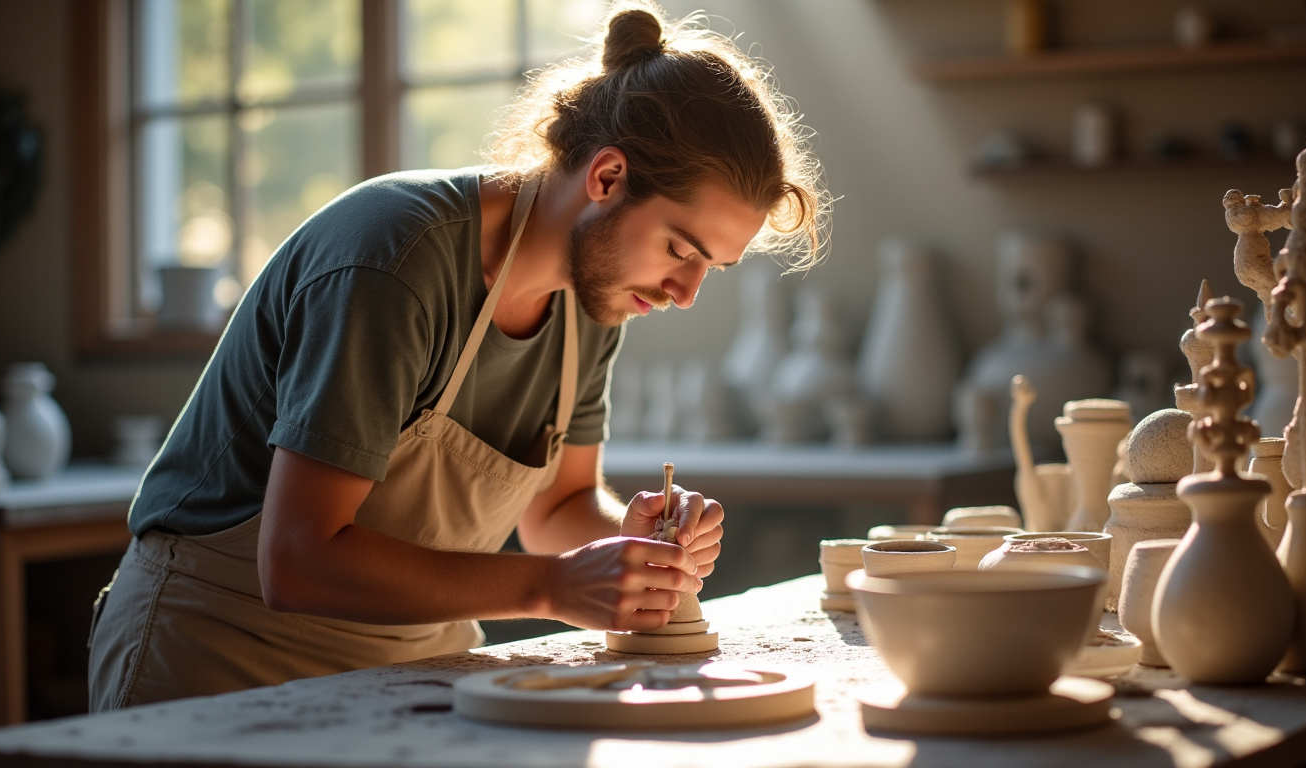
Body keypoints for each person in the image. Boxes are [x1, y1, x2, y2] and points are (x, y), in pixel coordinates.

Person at [87, 0, 828, 711]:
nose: (686, 292)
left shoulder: (595, 297)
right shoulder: (393, 259)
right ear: (606, 178)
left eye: (711, 268)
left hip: (412, 666)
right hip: (223, 654)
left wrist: (633, 543)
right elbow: (299, 559)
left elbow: (559, 508)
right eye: (680, 249)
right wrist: (551, 588)